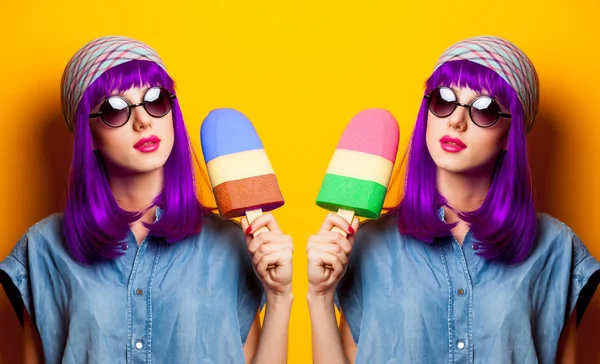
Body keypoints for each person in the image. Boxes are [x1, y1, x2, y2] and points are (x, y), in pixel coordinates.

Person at [307, 36, 600, 363]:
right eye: (444, 100)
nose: (456, 121)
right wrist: (320, 297)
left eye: (485, 109)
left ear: (509, 135)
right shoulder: (369, 244)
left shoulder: (555, 247)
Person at [0, 35, 293, 363]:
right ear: (89, 135)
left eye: (155, 99)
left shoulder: (229, 243)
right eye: (114, 109)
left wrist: (279, 297)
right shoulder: (43, 248)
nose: (143, 121)